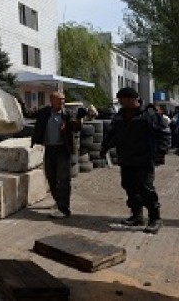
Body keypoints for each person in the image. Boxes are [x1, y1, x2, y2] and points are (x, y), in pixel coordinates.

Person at [101, 87, 170, 234]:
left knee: (145, 187)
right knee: (129, 186)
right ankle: (137, 215)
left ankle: (155, 218)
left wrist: (161, 152)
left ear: (132, 99)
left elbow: (164, 133)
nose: (120, 103)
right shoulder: (120, 116)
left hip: (144, 158)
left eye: (122, 100)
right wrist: (104, 147)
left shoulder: (149, 114)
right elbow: (112, 133)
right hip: (126, 158)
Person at [30, 91, 85, 219]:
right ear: (51, 100)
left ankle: (64, 209)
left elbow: (76, 127)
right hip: (49, 150)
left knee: (63, 180)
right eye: (59, 100)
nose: (62, 102)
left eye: (63, 100)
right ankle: (58, 202)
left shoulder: (67, 114)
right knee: (51, 178)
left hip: (62, 150)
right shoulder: (45, 113)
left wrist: (79, 119)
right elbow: (34, 120)